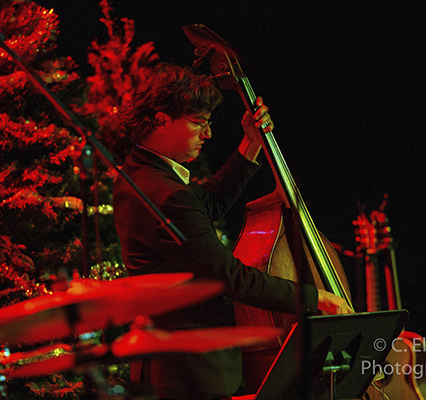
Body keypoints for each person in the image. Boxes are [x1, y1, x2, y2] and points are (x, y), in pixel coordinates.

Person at [112, 63, 352, 400]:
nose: (207, 134)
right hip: (192, 373)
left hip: (172, 365)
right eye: (199, 123)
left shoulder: (141, 174)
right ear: (162, 120)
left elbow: (205, 205)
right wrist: (317, 298)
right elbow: (231, 277)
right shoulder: (166, 194)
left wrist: (252, 143)